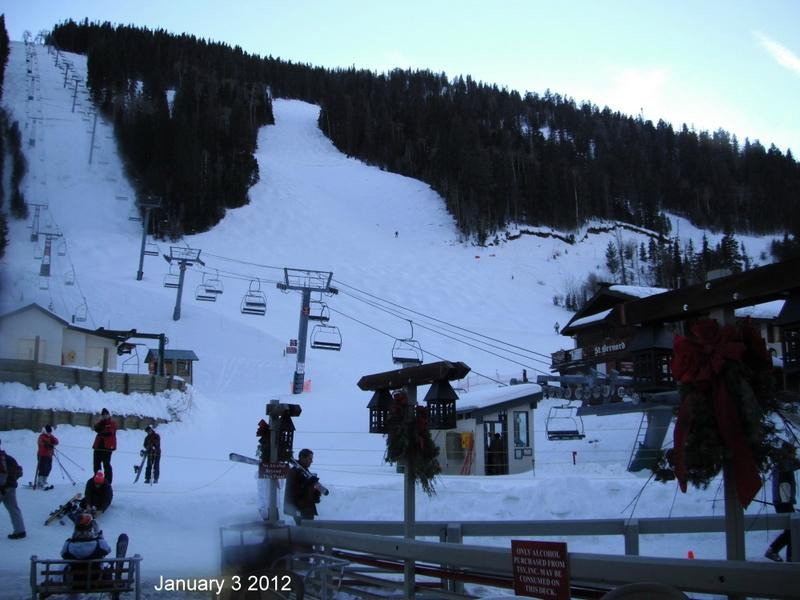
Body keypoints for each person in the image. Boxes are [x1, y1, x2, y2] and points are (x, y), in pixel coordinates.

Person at [61, 513, 112, 588]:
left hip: (74, 584)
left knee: (64, 566)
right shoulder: (99, 543)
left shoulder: (68, 545)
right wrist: (99, 535)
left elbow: (63, 555)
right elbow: (107, 550)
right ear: (91, 528)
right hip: (95, 582)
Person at [765, 445, 798, 562]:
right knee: (792, 530)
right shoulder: (783, 464)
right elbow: (794, 464)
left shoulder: (781, 464)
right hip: (783, 501)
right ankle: (774, 550)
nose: (794, 456)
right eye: (792, 453)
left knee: (792, 529)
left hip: (784, 500)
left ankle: (791, 556)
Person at [284, 449, 323, 525]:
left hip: (307, 509)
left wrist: (316, 493)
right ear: (302, 458)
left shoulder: (306, 472)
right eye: (309, 459)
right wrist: (308, 483)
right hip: (299, 509)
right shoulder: (295, 472)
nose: (311, 461)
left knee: (307, 530)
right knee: (303, 531)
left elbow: (307, 489)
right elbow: (293, 491)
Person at [0, 439, 26, 539]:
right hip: (11, 487)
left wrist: (2, 487)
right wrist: (12, 481)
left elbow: (3, 474)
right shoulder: (9, 458)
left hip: (2, 488)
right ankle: (20, 531)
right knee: (13, 509)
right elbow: (19, 471)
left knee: (13, 508)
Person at [92, 408, 117, 484]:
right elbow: (96, 428)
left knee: (106, 465)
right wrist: (99, 423)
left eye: (106, 414)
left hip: (107, 447)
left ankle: (108, 481)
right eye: (103, 415)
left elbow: (110, 432)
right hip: (98, 446)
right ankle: (97, 479)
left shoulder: (112, 423)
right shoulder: (101, 423)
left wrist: (102, 433)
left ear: (108, 415)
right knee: (96, 464)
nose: (104, 416)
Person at [36, 425, 59, 489]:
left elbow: (56, 441)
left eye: (50, 432)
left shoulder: (50, 436)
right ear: (46, 431)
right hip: (42, 455)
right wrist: (46, 444)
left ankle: (44, 481)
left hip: (49, 455)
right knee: (42, 468)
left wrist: (53, 441)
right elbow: (40, 443)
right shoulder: (42, 436)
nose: (49, 433)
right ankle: (40, 481)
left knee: (48, 468)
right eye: (48, 432)